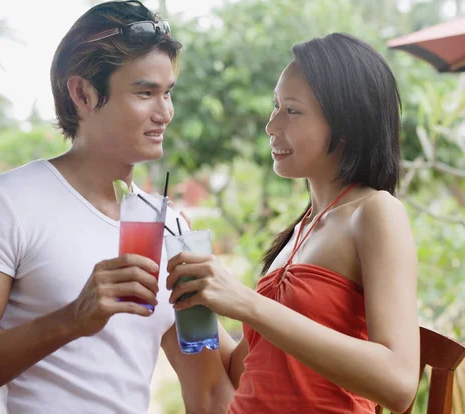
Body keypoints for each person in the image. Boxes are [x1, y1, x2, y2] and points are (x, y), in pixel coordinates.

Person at [0, 1, 234, 413]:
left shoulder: (169, 225)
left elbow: (213, 385)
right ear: (83, 93)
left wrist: (269, 306)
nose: (165, 113)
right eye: (145, 93)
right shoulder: (5, 204)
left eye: (168, 92)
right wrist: (71, 319)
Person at [166, 33, 420, 413]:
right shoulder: (301, 229)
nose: (271, 125)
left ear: (346, 123)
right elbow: (248, 373)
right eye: (275, 106)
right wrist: (195, 284)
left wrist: (247, 303)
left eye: (292, 111)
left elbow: (399, 384)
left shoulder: (375, 212)